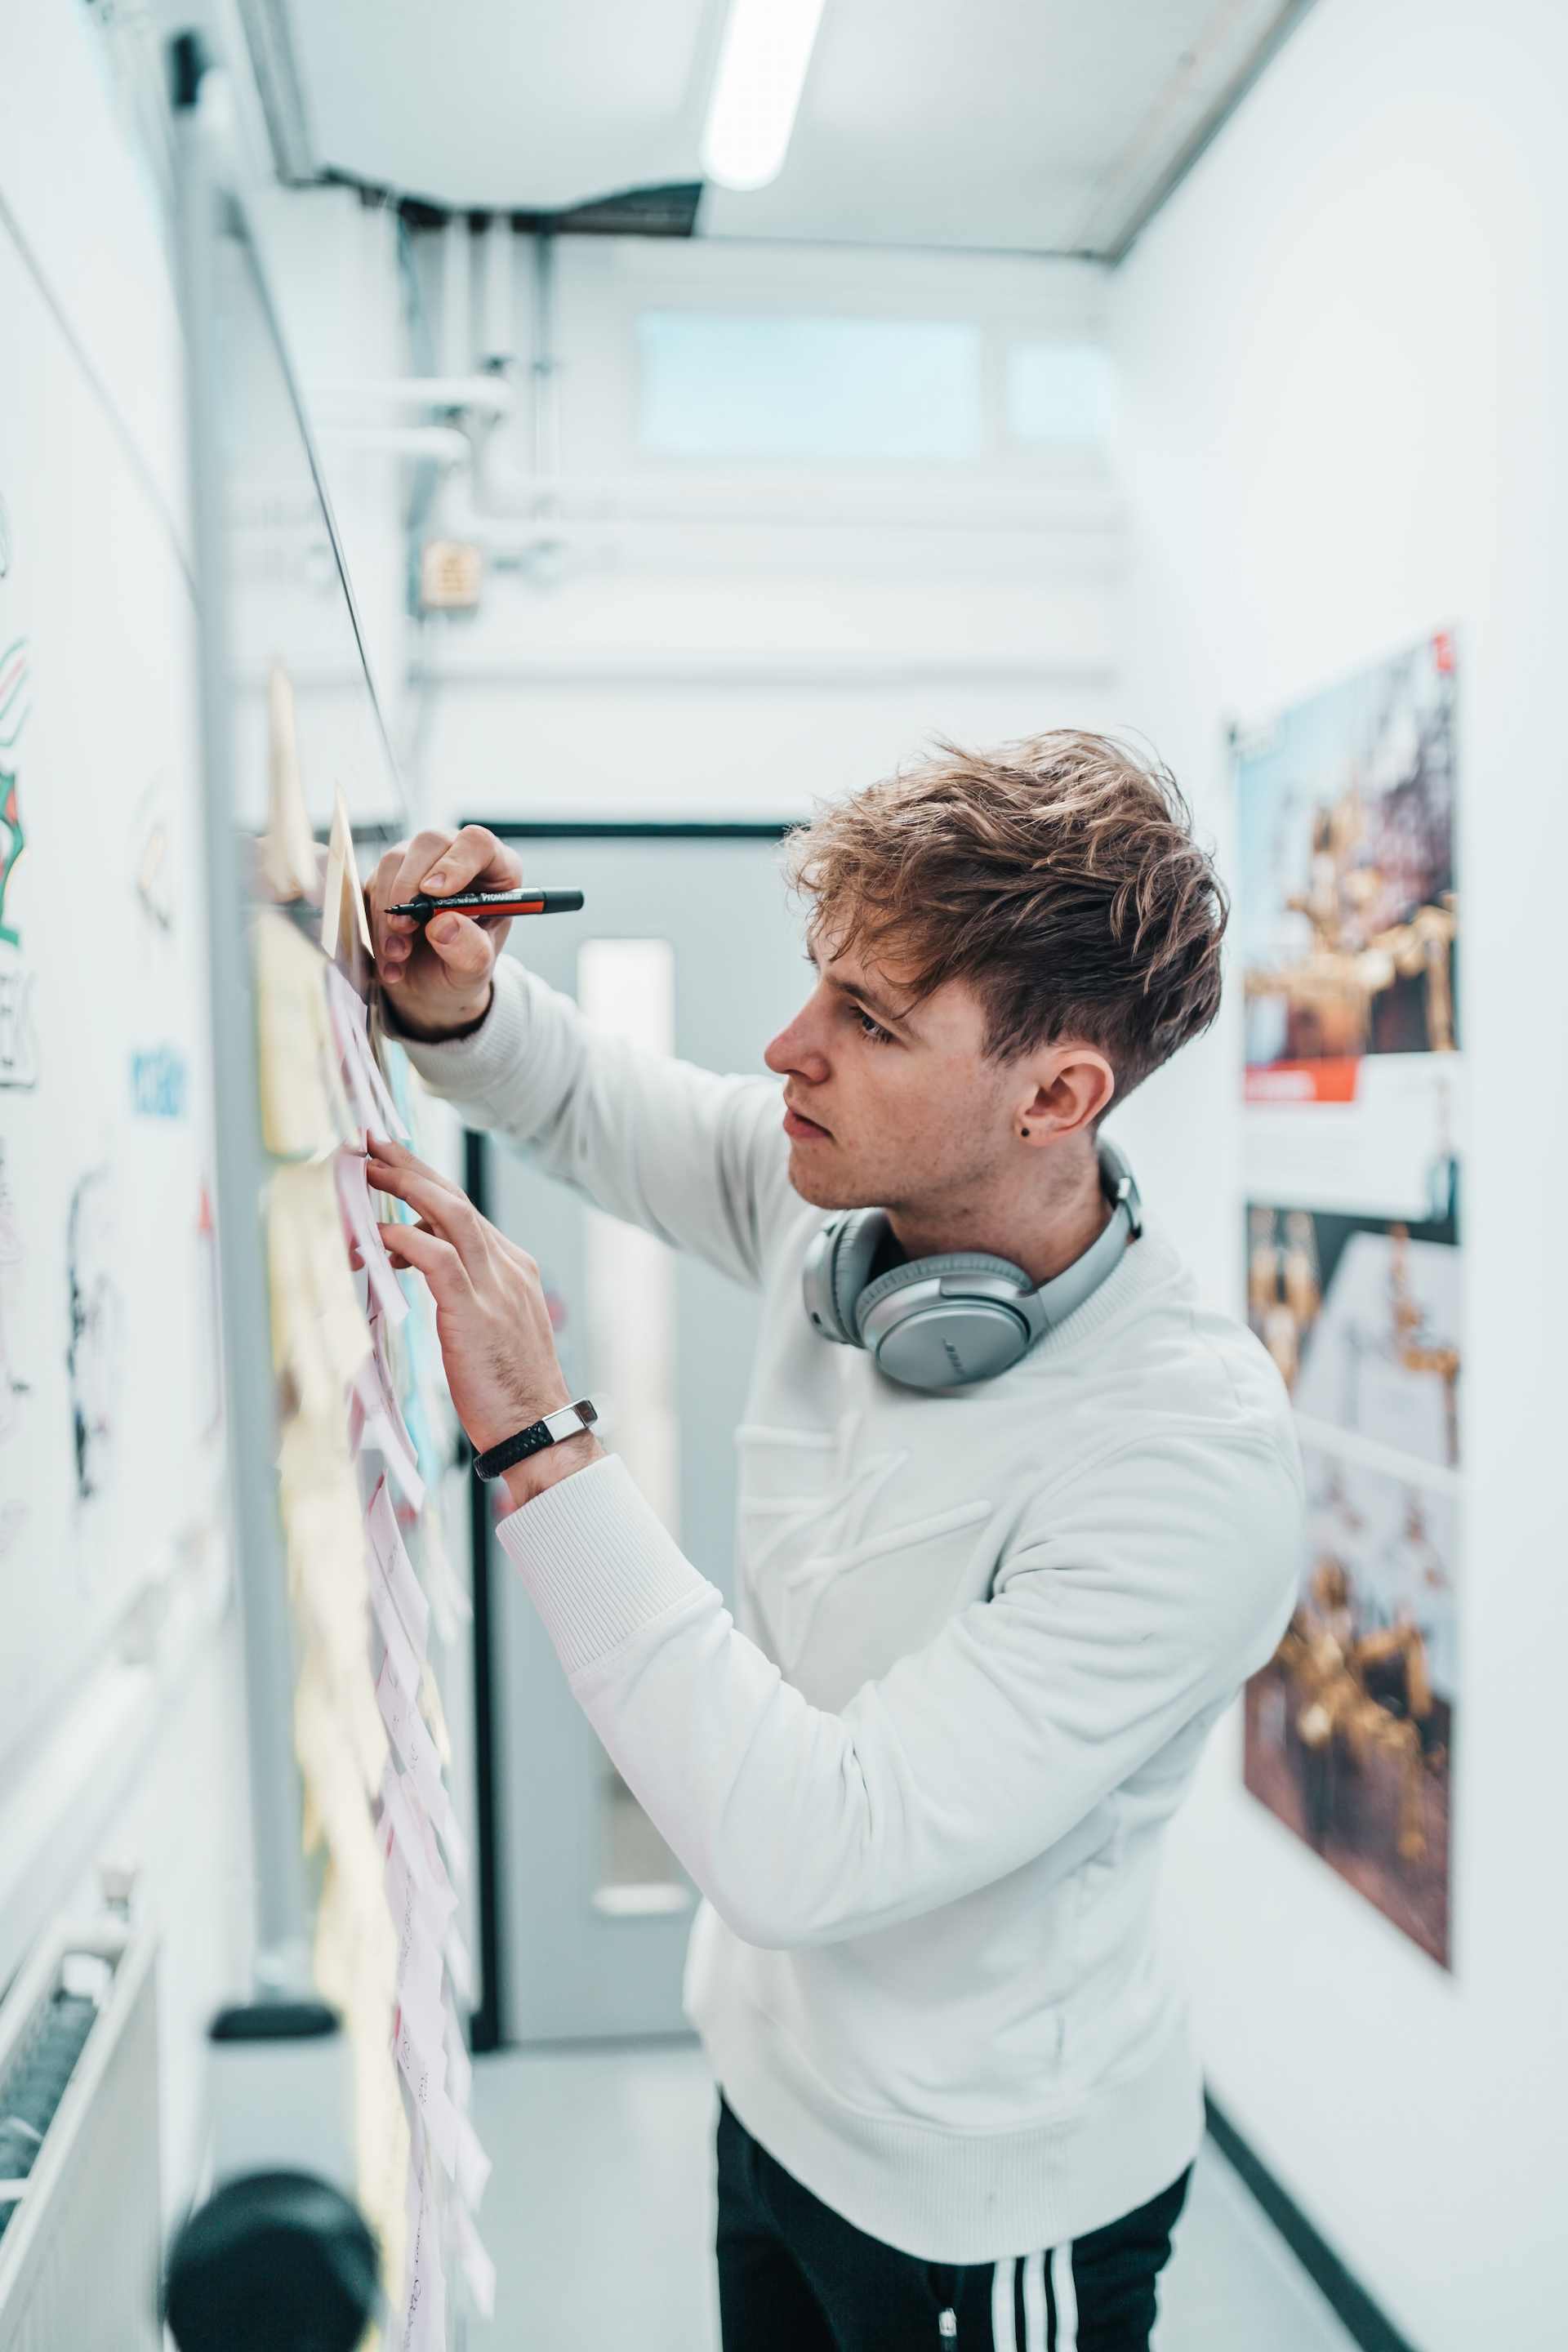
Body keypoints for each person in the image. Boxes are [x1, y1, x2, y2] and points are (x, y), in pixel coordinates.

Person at [366, 732, 1303, 2352]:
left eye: (867, 1020)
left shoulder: (1186, 1462)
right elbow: (591, 1098)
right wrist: (454, 999)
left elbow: (815, 1847)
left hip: (986, 2204)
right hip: (776, 2101)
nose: (789, 1046)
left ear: (1058, 1093)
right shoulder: (843, 1210)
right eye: (823, 986)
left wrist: (542, 1437)